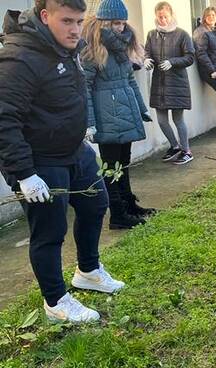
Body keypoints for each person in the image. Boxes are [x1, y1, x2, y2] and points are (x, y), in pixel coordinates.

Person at [0, 0, 125, 323]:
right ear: (45, 16)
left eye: (79, 21)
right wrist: (24, 174)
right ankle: (55, 301)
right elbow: (4, 119)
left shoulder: (63, 48)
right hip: (40, 160)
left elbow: (64, 96)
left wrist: (82, 132)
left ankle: (88, 270)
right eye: (66, 20)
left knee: (96, 204)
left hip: (73, 151)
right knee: (50, 231)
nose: (75, 29)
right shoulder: (20, 57)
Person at [81, 0, 155, 230]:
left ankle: (129, 205)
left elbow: (130, 81)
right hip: (107, 118)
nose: (121, 28)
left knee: (124, 163)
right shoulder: (93, 51)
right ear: (102, 22)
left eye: (123, 23)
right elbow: (85, 88)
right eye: (115, 23)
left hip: (125, 113)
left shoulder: (121, 48)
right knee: (111, 167)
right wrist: (90, 123)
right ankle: (117, 214)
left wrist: (141, 109)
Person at [144, 1, 195, 165]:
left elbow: (190, 57)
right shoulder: (152, 34)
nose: (162, 20)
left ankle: (187, 151)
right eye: (159, 17)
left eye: (165, 17)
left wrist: (173, 62)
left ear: (171, 15)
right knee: (161, 120)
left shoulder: (182, 34)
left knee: (178, 119)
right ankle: (174, 146)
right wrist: (146, 60)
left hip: (177, 83)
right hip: (159, 84)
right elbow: (147, 52)